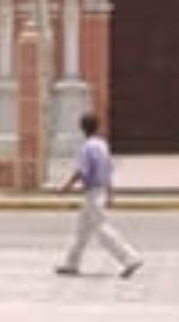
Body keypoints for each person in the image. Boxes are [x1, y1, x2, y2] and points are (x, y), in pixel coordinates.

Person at [54, 113, 144, 278]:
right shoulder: (102, 146)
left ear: (82, 129)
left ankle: (130, 258)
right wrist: (111, 194)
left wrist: (65, 187)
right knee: (81, 231)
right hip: (100, 191)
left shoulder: (87, 147)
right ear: (98, 127)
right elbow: (108, 171)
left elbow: (81, 171)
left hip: (93, 193)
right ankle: (71, 263)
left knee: (103, 229)